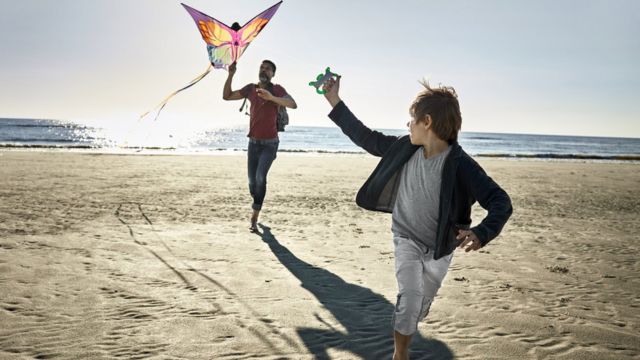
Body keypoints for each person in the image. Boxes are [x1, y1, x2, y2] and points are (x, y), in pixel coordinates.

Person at [321, 76, 512, 359]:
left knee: (420, 305)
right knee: (409, 300)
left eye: (412, 119)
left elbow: (500, 201)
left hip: (440, 248)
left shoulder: (461, 165)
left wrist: (482, 232)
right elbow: (365, 136)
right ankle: (401, 354)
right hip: (406, 237)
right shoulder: (404, 147)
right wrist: (334, 100)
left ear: (428, 122)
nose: (407, 125)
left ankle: (414, 312)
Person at [223, 60, 297, 232]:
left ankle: (254, 219)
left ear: (273, 74)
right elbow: (226, 96)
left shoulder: (277, 89)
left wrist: (271, 98)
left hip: (270, 144)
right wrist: (231, 74)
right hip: (253, 143)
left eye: (268, 69)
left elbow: (293, 104)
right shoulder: (251, 89)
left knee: (260, 178)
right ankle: (257, 201)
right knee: (252, 183)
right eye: (262, 68)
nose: (264, 71)